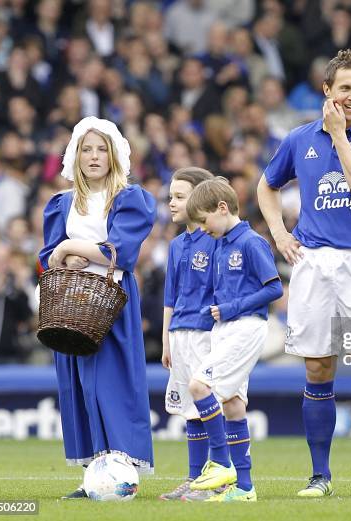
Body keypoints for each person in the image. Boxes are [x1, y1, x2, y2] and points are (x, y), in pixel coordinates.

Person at [257, 49, 351, 498]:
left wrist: (340, 135)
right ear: (327, 90)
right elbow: (267, 184)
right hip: (314, 262)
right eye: (345, 88)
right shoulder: (299, 138)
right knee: (318, 369)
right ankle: (319, 476)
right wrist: (279, 233)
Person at [38, 116, 156, 498]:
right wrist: (65, 255)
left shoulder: (128, 198)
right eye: (86, 149)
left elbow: (119, 252)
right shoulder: (61, 203)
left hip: (111, 302)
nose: (93, 156)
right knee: (79, 386)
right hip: (71, 304)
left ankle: (121, 472)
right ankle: (93, 476)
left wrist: (69, 248)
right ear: (75, 155)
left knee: (113, 385)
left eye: (101, 148)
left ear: (114, 154)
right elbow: (48, 255)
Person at [184, 178, 283, 502]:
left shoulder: (251, 243)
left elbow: (274, 288)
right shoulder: (222, 243)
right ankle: (244, 488)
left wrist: (231, 308)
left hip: (246, 326)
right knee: (234, 405)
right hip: (226, 328)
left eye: (204, 219)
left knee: (199, 387)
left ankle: (221, 462)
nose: (202, 227)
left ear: (222, 208)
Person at [158, 166, 217, 502]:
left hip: (208, 335)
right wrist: (167, 339)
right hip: (180, 335)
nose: (171, 203)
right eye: (170, 197)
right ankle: (195, 479)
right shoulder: (177, 244)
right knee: (191, 413)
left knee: (212, 407)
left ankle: (219, 477)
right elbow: (171, 296)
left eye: (179, 196)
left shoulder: (216, 239)